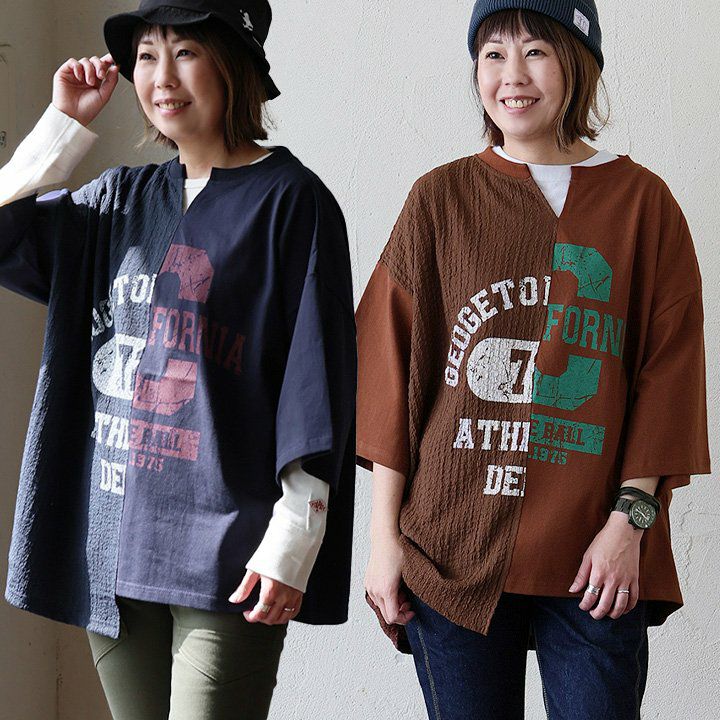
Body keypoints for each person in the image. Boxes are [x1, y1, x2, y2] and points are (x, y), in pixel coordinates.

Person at [0, 1, 356, 718]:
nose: (162, 77)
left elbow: (315, 382)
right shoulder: (117, 201)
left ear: (234, 65)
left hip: (229, 548)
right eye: (146, 55)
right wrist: (65, 123)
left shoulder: (292, 201)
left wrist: (294, 537)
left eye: (185, 52)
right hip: (113, 543)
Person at [356, 2, 710, 719]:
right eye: (493, 54)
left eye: (537, 52)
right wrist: (382, 540)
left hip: (595, 555)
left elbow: (667, 376)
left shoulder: (643, 204)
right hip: (451, 546)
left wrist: (629, 523)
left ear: (578, 65)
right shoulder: (440, 199)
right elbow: (392, 374)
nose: (512, 75)